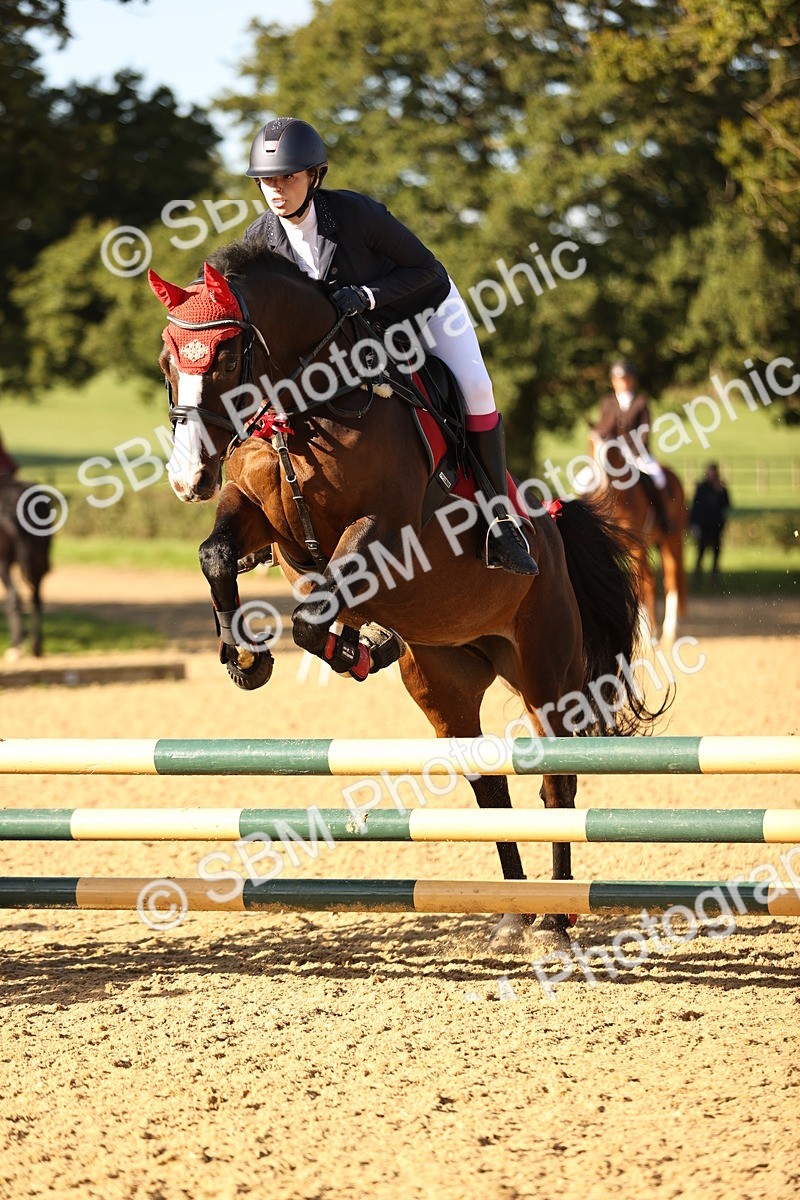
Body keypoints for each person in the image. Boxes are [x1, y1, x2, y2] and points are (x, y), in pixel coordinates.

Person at [242, 117, 538, 576]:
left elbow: (429, 271)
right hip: (358, 334)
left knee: (477, 389)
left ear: (315, 176)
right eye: (267, 180)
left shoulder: (357, 215)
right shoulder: (261, 239)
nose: (276, 190)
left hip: (425, 308)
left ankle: (500, 520)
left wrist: (368, 295)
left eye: (288, 177)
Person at [591, 360, 674, 533]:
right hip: (613, 454)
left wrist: (634, 450)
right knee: (584, 481)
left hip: (637, 452)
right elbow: (604, 427)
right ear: (613, 381)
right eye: (618, 380)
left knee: (658, 477)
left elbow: (645, 430)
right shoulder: (607, 402)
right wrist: (597, 434)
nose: (622, 383)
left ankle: (663, 517)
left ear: (632, 380)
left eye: (625, 379)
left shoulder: (641, 402)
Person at [690, 462, 731, 581]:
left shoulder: (720, 488)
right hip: (703, 525)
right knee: (701, 550)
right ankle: (697, 576)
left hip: (716, 525)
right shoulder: (701, 488)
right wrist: (694, 523)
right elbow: (696, 507)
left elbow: (726, 504)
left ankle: (714, 575)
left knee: (716, 551)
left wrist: (721, 491)